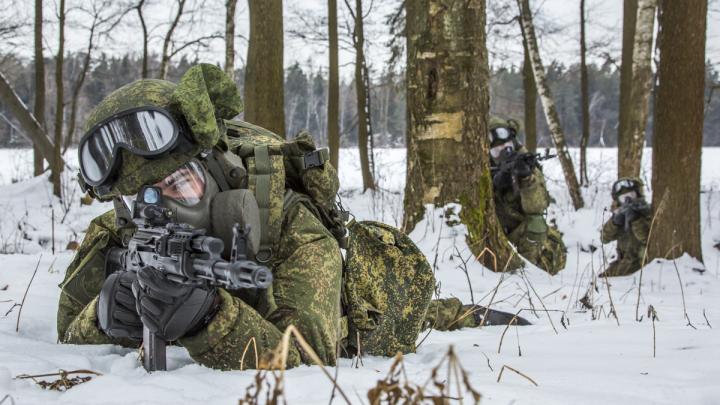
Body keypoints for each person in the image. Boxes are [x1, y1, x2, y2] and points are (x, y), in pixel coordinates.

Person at [57, 64, 526, 371]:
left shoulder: (287, 221)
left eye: (181, 182)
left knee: (425, 312)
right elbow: (65, 326)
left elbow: (308, 357)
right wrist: (103, 316)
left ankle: (469, 310)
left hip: (350, 312)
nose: (165, 208)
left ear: (216, 170)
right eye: (146, 197)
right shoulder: (123, 230)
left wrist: (207, 319)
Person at [488, 117, 567, 275]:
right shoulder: (484, 169)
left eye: (508, 147)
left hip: (523, 237)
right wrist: (494, 185)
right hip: (494, 234)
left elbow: (537, 207)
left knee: (535, 223)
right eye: (497, 151)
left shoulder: (525, 165)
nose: (504, 153)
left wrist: (526, 178)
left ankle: (531, 273)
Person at [600, 177, 651, 277]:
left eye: (631, 195)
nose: (628, 200)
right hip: (624, 264)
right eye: (623, 198)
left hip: (641, 265)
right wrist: (615, 223)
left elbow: (647, 238)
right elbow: (604, 238)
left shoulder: (647, 212)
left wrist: (636, 220)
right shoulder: (621, 214)